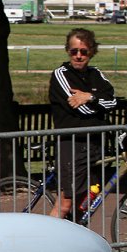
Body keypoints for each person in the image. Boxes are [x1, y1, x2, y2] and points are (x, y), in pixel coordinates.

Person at [48, 28, 117, 220]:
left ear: (91, 52)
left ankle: (77, 241)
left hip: (95, 144)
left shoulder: (97, 74)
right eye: (74, 51)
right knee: (66, 202)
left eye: (84, 51)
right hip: (72, 145)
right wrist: (98, 105)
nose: (79, 56)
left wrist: (90, 97)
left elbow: (114, 101)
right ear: (68, 51)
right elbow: (80, 110)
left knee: (87, 199)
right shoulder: (60, 75)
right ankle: (46, 244)